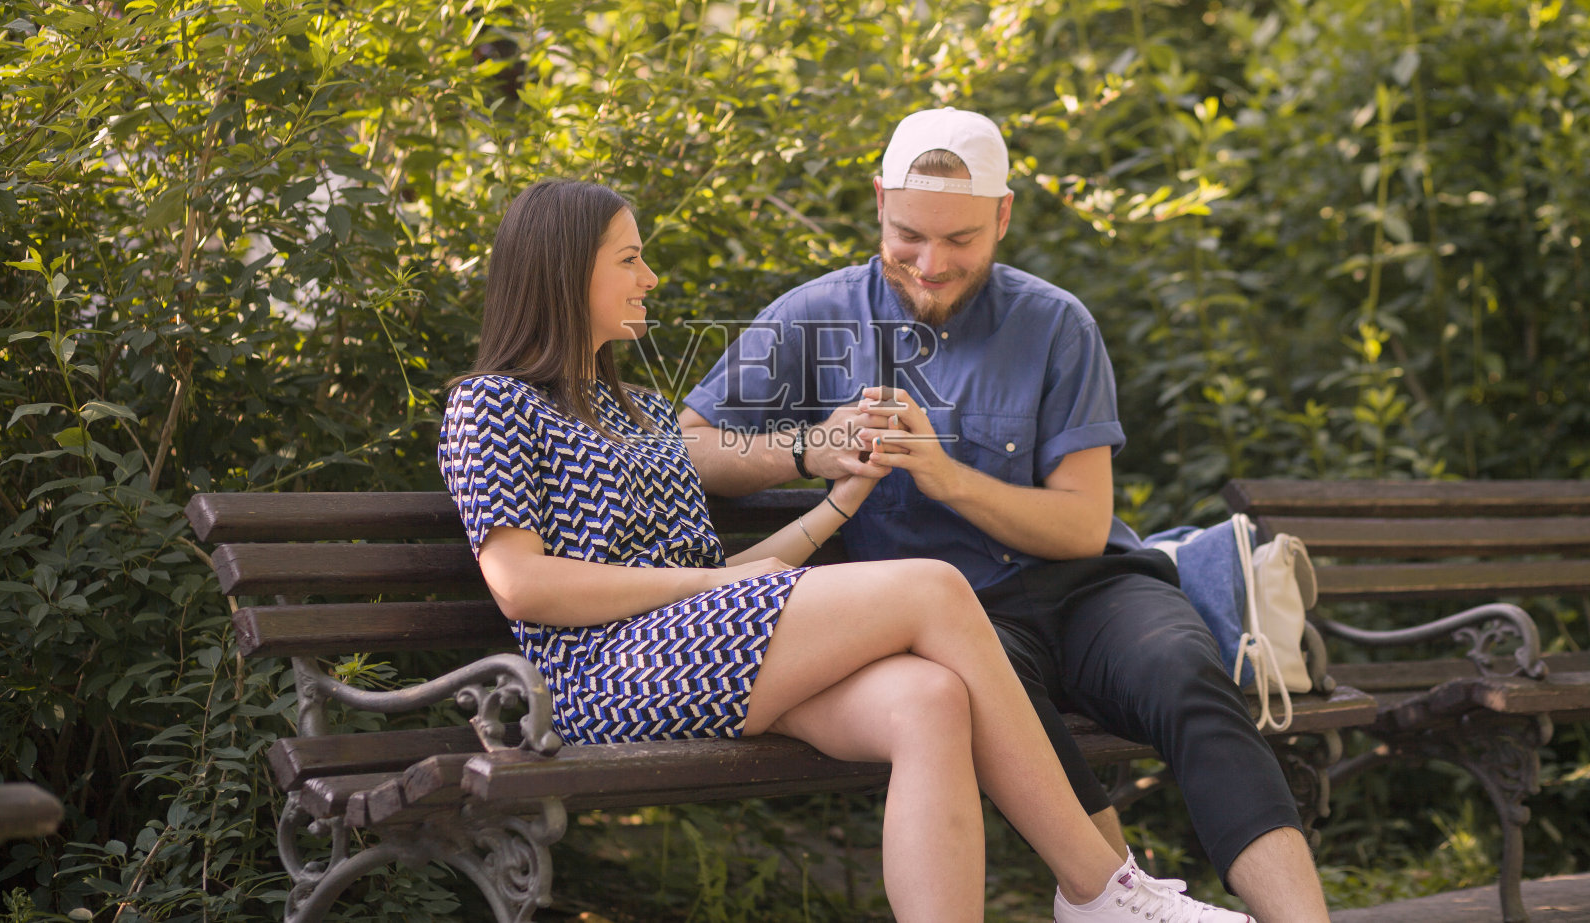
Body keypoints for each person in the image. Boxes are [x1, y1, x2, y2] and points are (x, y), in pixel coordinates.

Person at [439, 179, 1252, 923]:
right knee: (933, 588)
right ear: (562, 271)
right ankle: (1098, 886)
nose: (649, 276)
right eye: (630, 258)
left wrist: (842, 490)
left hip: (693, 647)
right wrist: (696, 586)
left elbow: (724, 576)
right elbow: (520, 584)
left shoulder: (644, 412)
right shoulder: (490, 406)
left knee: (931, 699)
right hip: (598, 678)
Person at [676, 108, 1332, 923]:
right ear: (878, 201)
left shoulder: (1057, 324)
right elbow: (689, 446)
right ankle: (1117, 903)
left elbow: (1082, 527)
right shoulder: (814, 318)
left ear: (1004, 216)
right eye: (911, 234)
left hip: (1092, 590)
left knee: (1189, 677)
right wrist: (811, 446)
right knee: (995, 696)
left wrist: (949, 478)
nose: (932, 263)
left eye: (960, 240)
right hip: (958, 621)